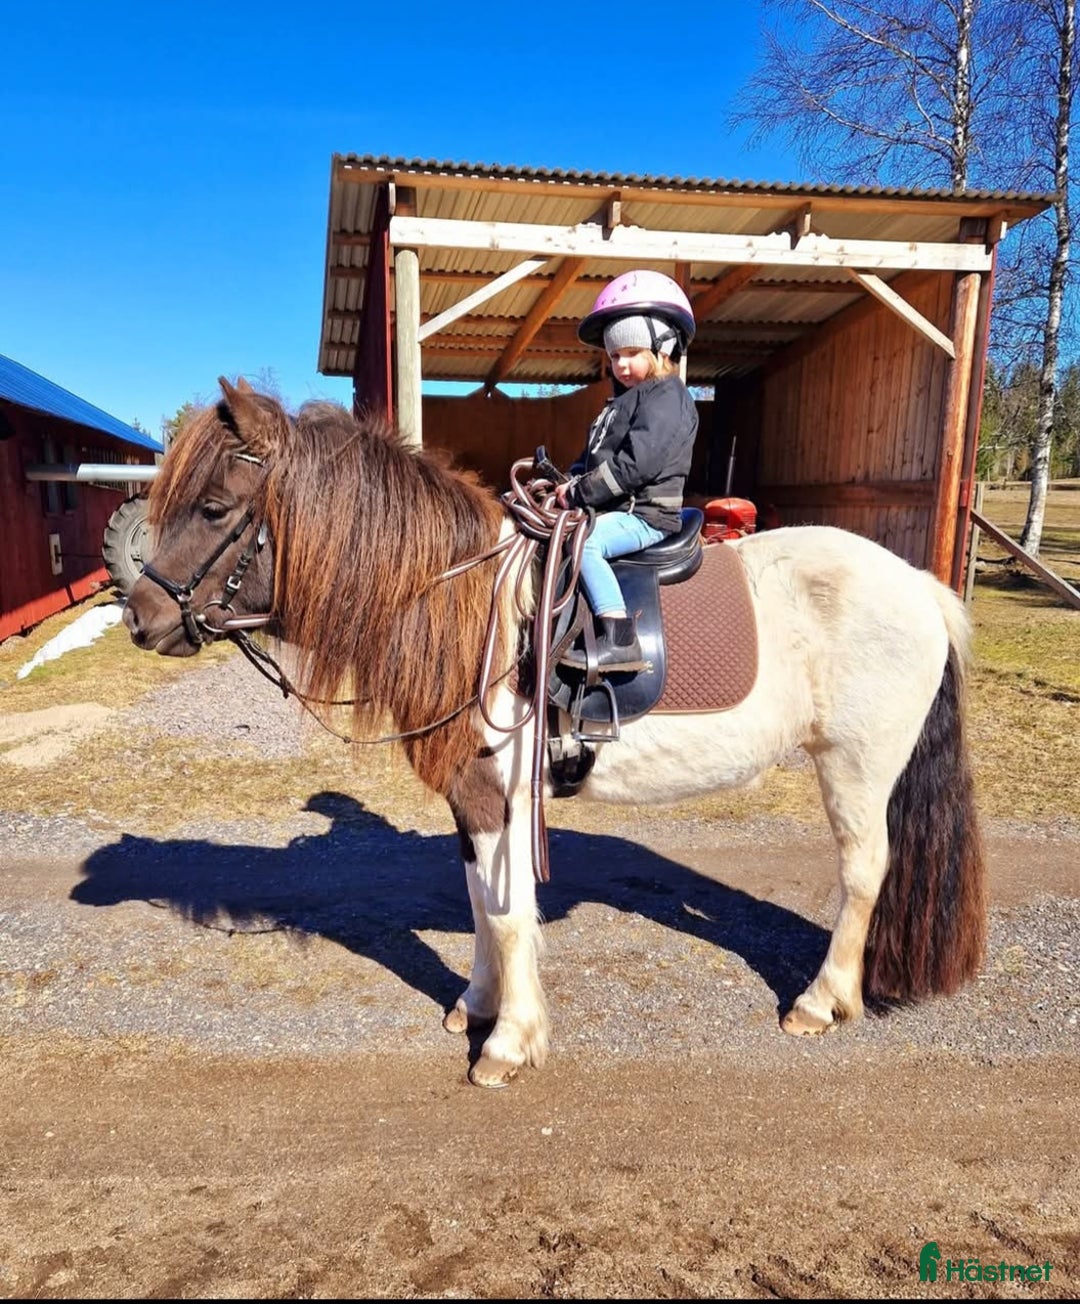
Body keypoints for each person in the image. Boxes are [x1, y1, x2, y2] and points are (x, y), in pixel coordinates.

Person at [554, 269, 698, 673]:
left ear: (663, 348)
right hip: (618, 510)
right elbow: (592, 459)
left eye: (632, 353)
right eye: (615, 356)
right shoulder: (618, 405)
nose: (621, 364)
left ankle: (619, 638)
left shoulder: (668, 398)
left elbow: (636, 465)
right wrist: (565, 482)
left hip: (646, 516)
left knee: (584, 544)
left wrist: (581, 493)